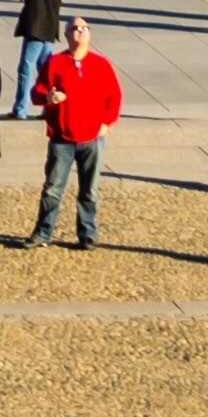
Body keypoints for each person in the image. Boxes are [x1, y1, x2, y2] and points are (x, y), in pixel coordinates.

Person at [30, 16, 122, 246]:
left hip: (92, 138)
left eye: (84, 28)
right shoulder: (55, 63)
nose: (80, 32)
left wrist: (106, 123)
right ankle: (43, 232)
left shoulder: (101, 64)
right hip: (62, 138)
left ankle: (87, 233)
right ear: (67, 34)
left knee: (89, 190)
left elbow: (114, 96)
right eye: (75, 28)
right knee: (52, 189)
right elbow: (37, 92)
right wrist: (48, 97)